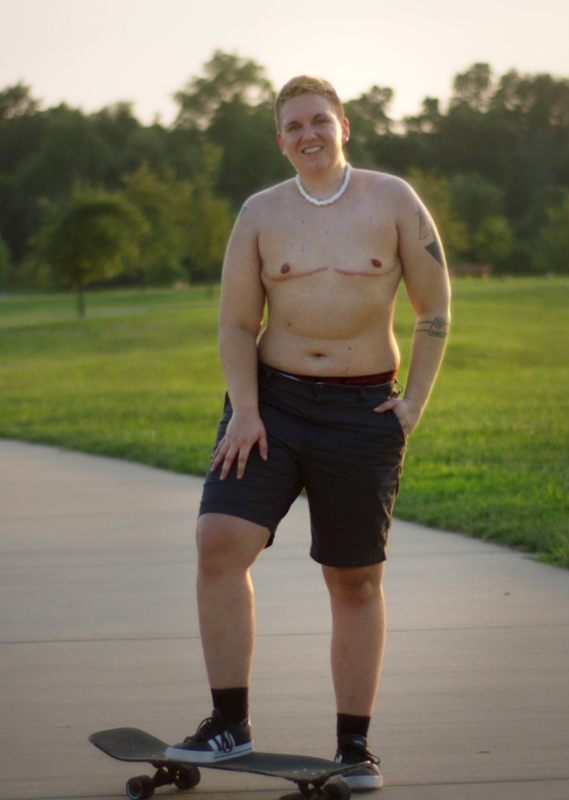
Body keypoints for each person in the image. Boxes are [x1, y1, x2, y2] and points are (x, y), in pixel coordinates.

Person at [166, 76, 451, 789]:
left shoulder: (393, 201)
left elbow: (435, 307)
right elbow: (235, 323)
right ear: (280, 139)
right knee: (218, 541)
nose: (308, 135)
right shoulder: (260, 213)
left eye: (319, 121)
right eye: (293, 126)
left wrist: (413, 401)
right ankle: (228, 725)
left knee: (353, 580)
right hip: (272, 404)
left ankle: (354, 747)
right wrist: (248, 409)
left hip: (364, 412)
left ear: (344, 126)